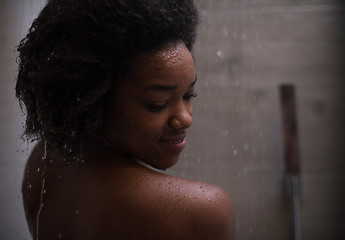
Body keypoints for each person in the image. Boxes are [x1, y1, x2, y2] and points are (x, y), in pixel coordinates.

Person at [16, 0, 235, 239]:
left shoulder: (46, 160)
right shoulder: (201, 210)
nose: (185, 118)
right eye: (157, 104)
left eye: (188, 95)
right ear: (93, 101)